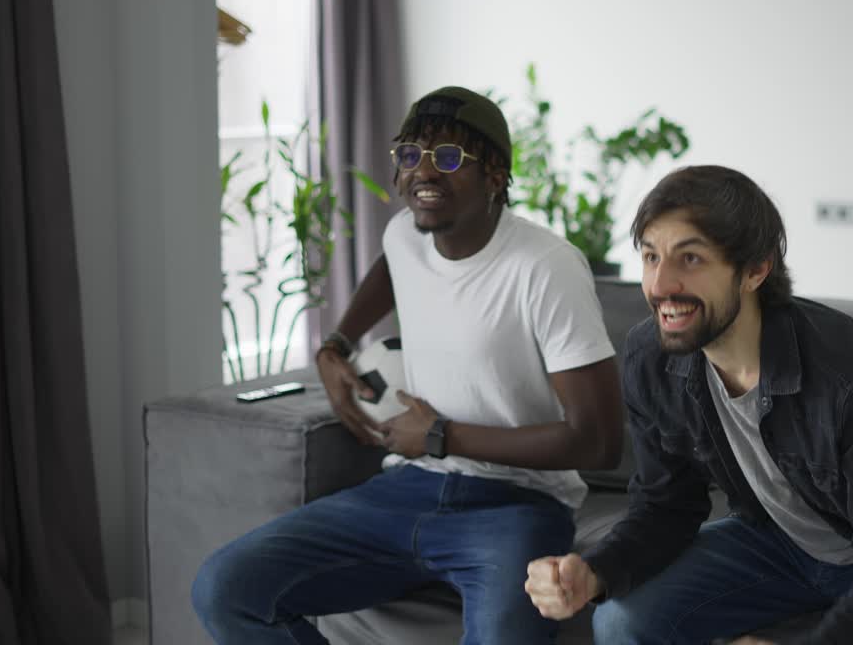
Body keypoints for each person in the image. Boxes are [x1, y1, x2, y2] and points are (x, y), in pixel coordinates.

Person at [193, 86, 623, 645]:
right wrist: (335, 347)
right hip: (405, 491)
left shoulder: (546, 268)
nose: (424, 171)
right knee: (224, 589)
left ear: (495, 174)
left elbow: (598, 442)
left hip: (517, 505)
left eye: (448, 158)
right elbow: (393, 267)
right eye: (410, 155)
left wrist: (442, 437)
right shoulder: (406, 235)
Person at [525, 165, 853, 645]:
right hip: (778, 546)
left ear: (755, 269)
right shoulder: (650, 357)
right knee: (618, 620)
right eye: (650, 256)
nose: (661, 284)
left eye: (690, 259)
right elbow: (666, 505)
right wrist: (595, 572)